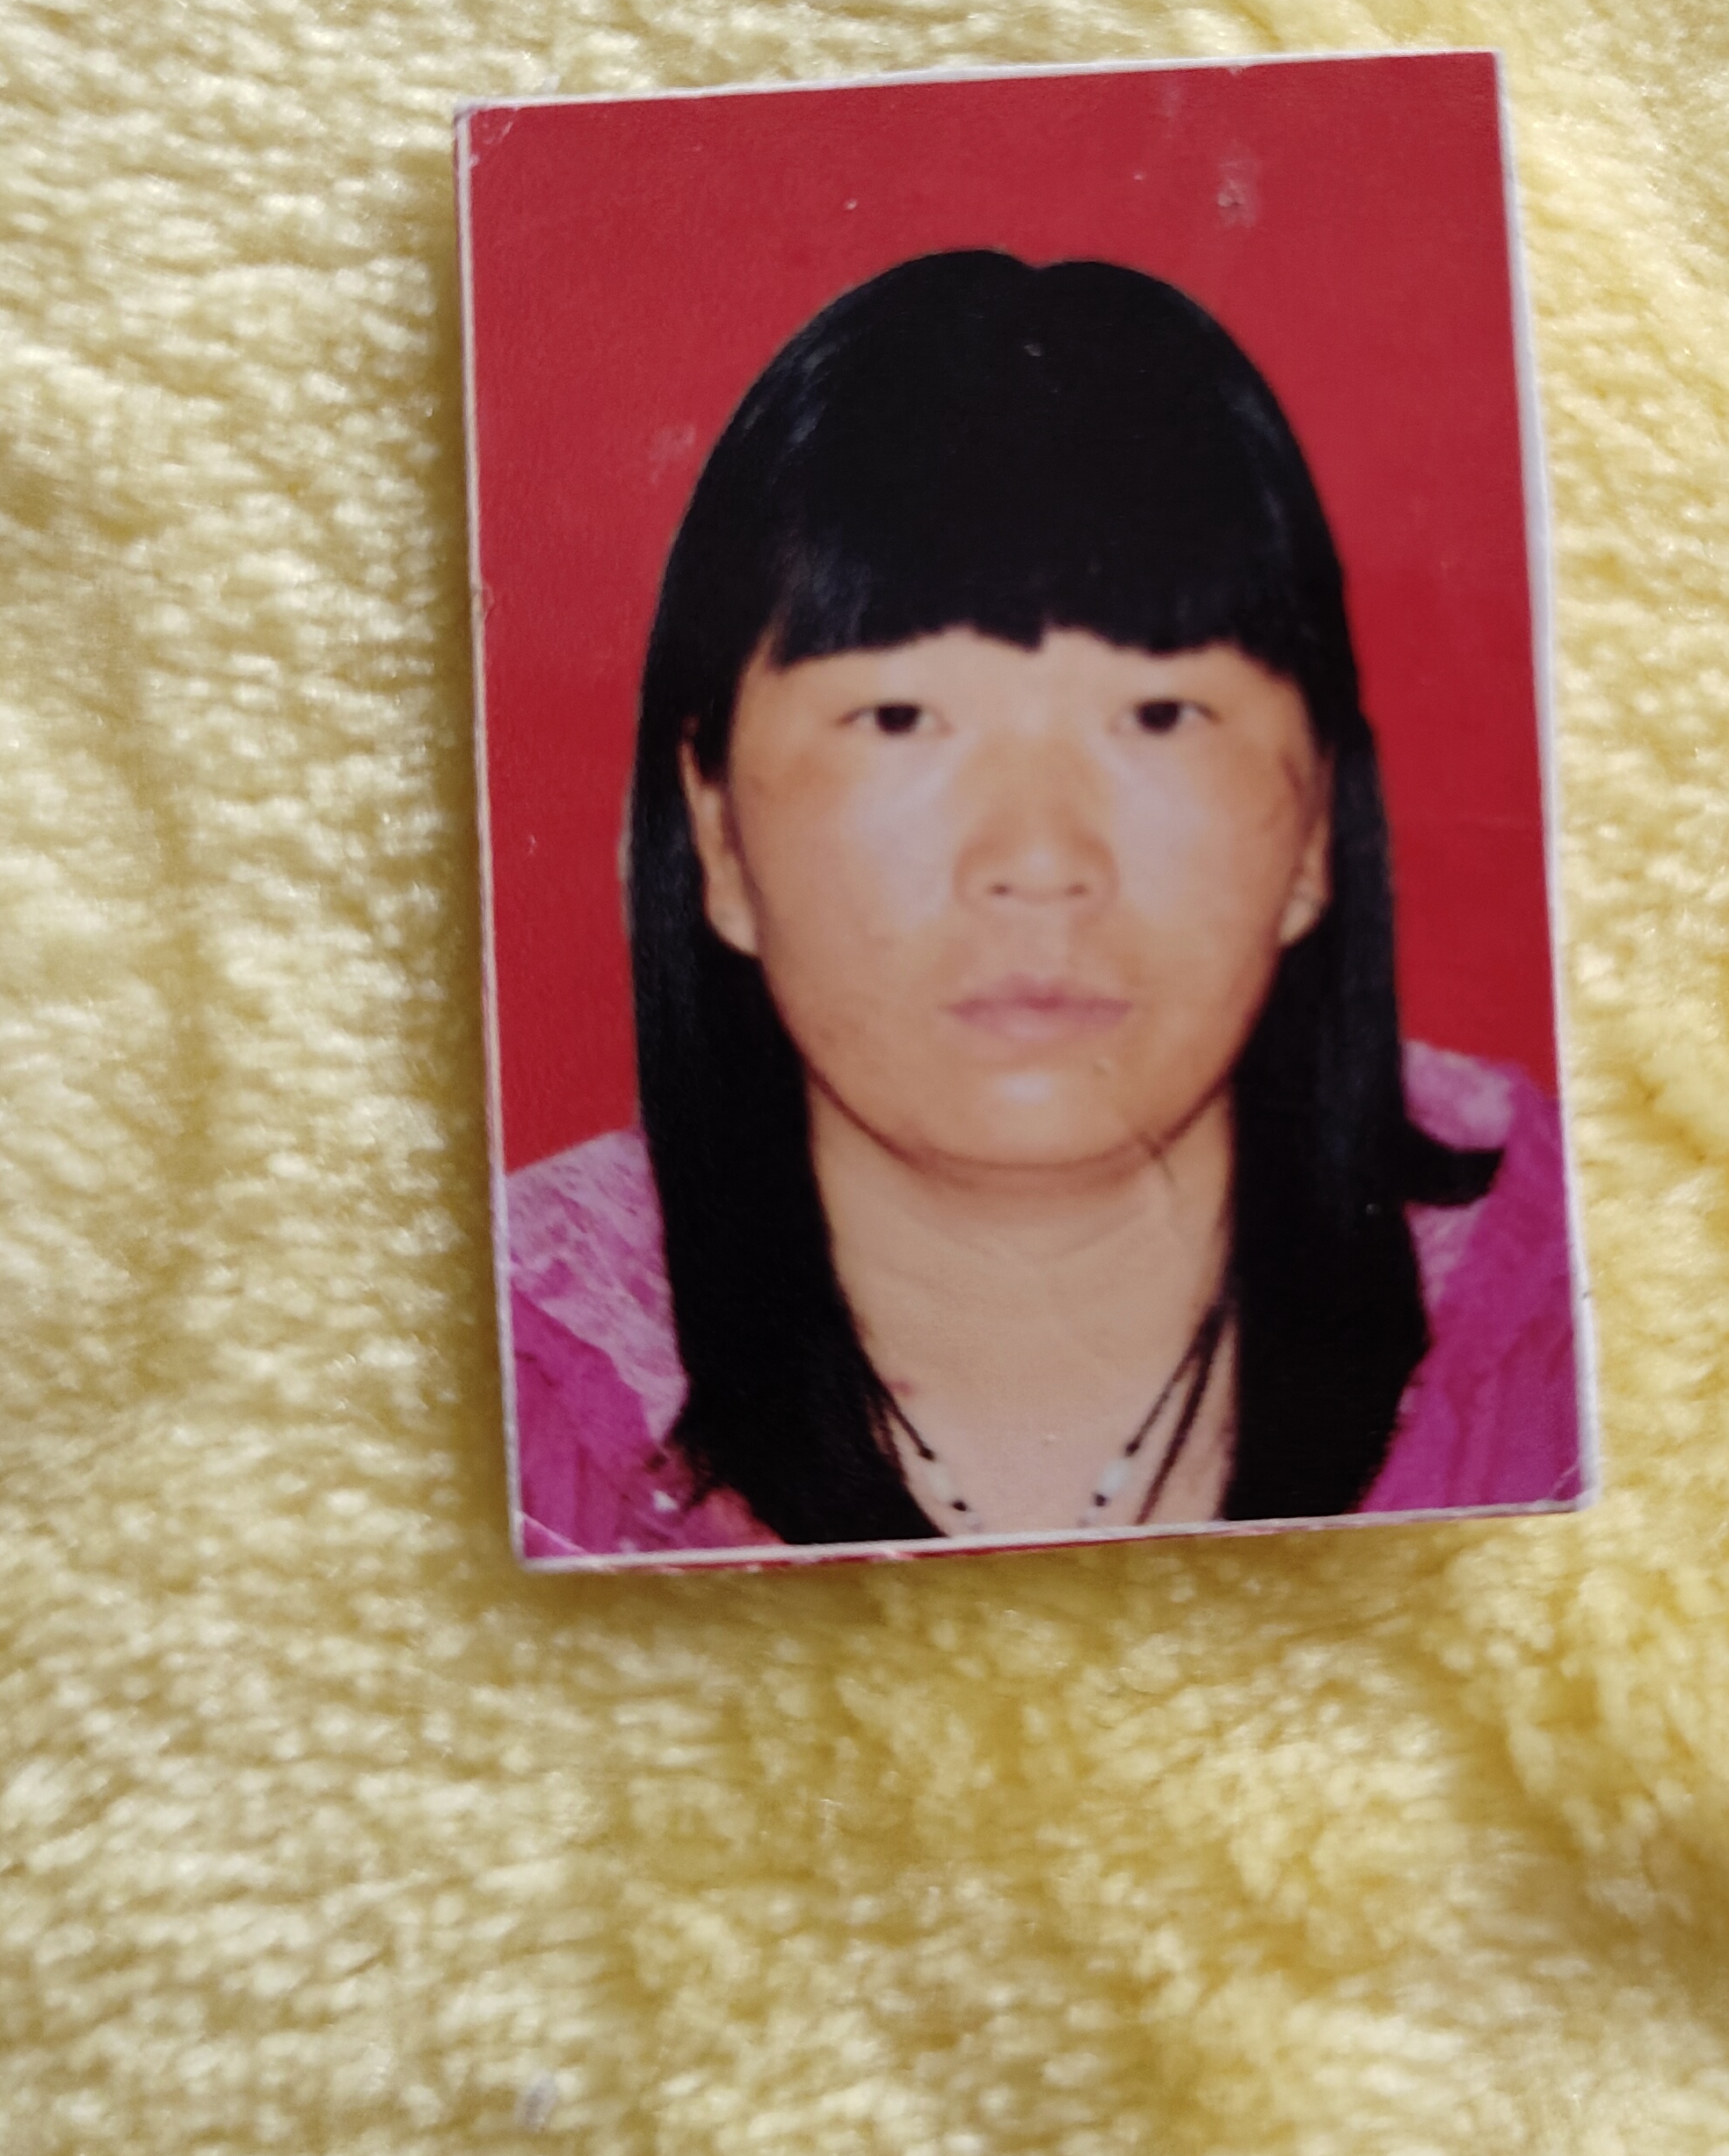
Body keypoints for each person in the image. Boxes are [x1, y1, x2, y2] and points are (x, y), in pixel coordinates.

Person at [502, 249, 1580, 1555]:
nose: (1037, 859)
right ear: (718, 834)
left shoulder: (1591, 1299)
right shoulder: (502, 1381)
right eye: (900, 717)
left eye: (1159, 715)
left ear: (1312, 827)